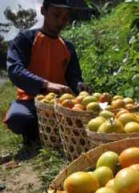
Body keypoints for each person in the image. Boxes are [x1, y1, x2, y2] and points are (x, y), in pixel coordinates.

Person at [3, 0, 89, 151]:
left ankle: (49, 132)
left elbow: (74, 77)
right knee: (18, 119)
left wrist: (80, 86)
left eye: (65, 17)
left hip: (62, 101)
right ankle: (34, 133)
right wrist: (46, 85)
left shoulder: (68, 47)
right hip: (31, 99)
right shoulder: (25, 40)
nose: (61, 21)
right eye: (56, 14)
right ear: (43, 10)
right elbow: (15, 70)